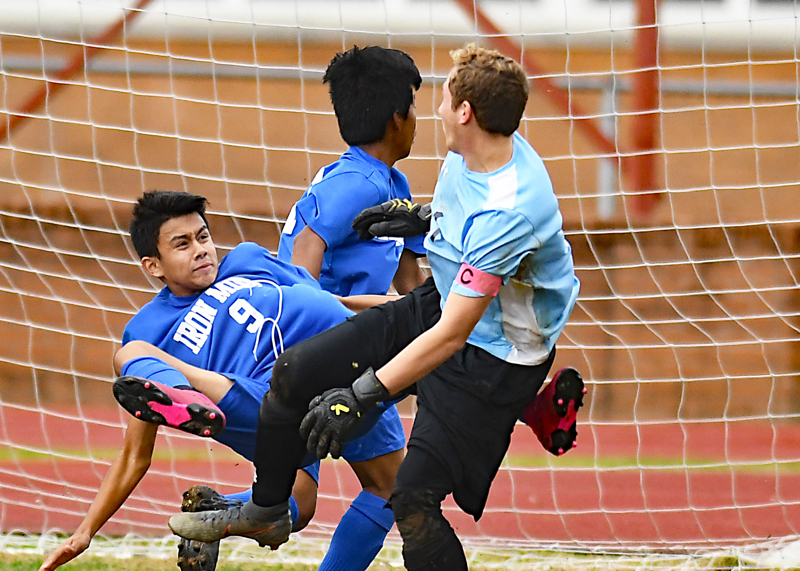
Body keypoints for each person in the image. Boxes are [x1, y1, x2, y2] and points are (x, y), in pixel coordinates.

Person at [168, 43, 584, 571]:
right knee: (299, 377)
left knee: (406, 497)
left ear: (465, 113)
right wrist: (422, 216)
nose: (429, 108)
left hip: (491, 352)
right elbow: (429, 261)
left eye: (440, 96)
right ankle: (264, 508)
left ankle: (527, 405)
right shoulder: (471, 152)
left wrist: (364, 393)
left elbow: (453, 330)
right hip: (417, 309)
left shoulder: (510, 210)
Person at [38, 190, 407, 571]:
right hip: (261, 404)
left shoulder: (247, 260)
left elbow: (327, 300)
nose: (200, 250)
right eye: (182, 245)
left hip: (339, 367)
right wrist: (85, 532)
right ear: (154, 266)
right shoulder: (151, 328)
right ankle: (184, 396)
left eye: (203, 236)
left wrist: (409, 311)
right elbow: (135, 454)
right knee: (129, 355)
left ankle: (218, 511)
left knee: (359, 493)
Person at [278, 45, 427, 297]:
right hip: (325, 325)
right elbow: (305, 243)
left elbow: (409, 279)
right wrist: (309, 320)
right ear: (397, 119)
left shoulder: (392, 183)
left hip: (350, 321)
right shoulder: (360, 184)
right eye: (412, 106)